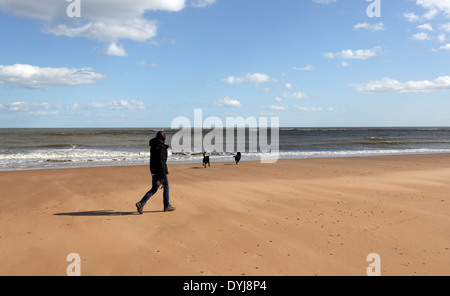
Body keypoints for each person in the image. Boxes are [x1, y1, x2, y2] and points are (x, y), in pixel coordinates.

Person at [136, 131, 175, 214]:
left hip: (153, 170)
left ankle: (141, 203)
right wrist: (162, 175)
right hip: (161, 171)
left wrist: (154, 171)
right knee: (166, 186)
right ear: (163, 138)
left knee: (154, 188)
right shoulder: (161, 147)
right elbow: (161, 161)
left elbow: (154, 160)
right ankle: (166, 206)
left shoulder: (153, 146)